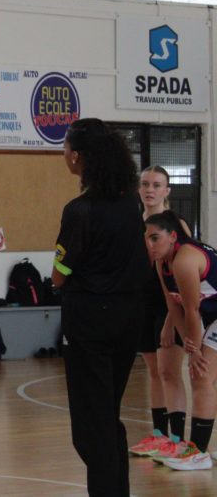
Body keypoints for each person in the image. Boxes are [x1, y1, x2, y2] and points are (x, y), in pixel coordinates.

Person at [52, 118, 148, 496]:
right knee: (107, 415)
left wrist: (62, 273)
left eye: (65, 149)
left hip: (90, 321)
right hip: (129, 316)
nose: (64, 155)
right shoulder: (131, 203)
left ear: (77, 156)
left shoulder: (79, 210)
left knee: (91, 428)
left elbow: (60, 274)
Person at [143, 211, 217, 470]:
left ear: (173, 236)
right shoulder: (162, 262)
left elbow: (192, 310)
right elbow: (173, 307)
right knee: (204, 377)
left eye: (155, 238)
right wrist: (187, 342)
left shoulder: (185, 260)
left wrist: (194, 351)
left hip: (209, 316)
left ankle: (199, 453)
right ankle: (198, 449)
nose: (150, 244)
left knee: (201, 376)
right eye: (146, 239)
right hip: (211, 316)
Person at [128, 166, 189, 459]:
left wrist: (171, 320)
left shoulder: (176, 224)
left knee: (169, 372)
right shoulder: (133, 223)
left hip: (170, 307)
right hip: (143, 305)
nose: (150, 190)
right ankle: (159, 435)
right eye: (145, 184)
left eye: (156, 185)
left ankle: (178, 439)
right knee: (154, 372)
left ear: (167, 190)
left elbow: (182, 275)